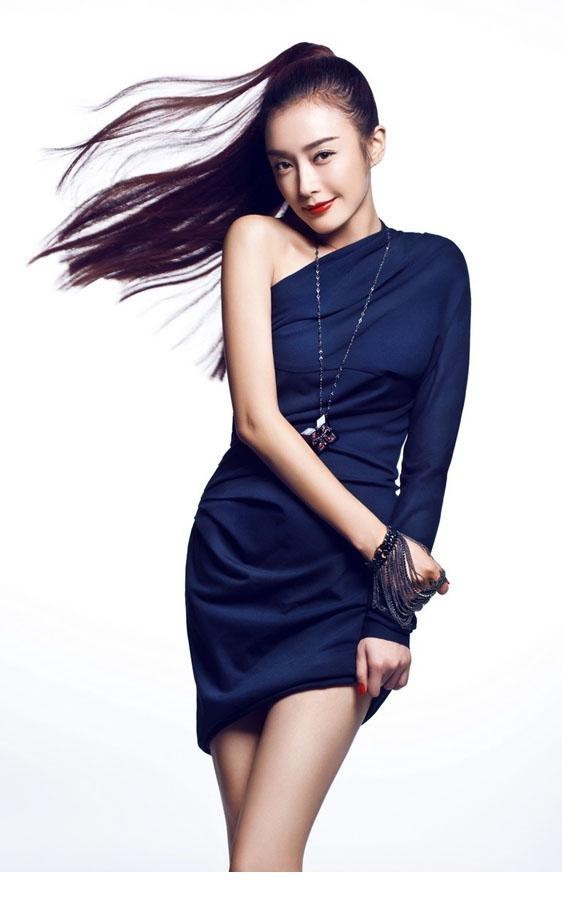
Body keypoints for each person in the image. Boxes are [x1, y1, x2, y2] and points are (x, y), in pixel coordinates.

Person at [28, 42, 471, 872]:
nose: (306, 184)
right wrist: (388, 550)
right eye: (284, 165)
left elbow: (430, 461)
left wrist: (390, 612)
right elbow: (259, 424)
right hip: (241, 565)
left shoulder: (437, 269)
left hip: (342, 590)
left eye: (324, 155)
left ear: (374, 144)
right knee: (261, 869)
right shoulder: (257, 241)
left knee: (259, 866)